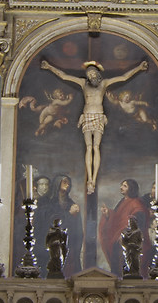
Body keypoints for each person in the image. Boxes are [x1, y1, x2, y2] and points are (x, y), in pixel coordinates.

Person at [39, 57, 149, 194]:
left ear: (98, 74)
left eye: (93, 74)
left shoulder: (104, 83)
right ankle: (89, 179)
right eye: (89, 75)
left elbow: (124, 77)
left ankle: (94, 179)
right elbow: (64, 76)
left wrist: (139, 68)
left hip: (98, 116)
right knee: (89, 147)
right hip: (87, 116)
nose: (91, 76)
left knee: (96, 147)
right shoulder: (83, 83)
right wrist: (49, 66)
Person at [97, 177, 147, 272]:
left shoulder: (136, 203)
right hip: (118, 237)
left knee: (126, 262)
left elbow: (138, 221)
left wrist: (125, 234)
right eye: (122, 185)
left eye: (125, 186)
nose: (121, 187)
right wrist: (108, 213)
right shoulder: (122, 201)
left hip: (128, 240)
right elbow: (116, 218)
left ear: (131, 188)